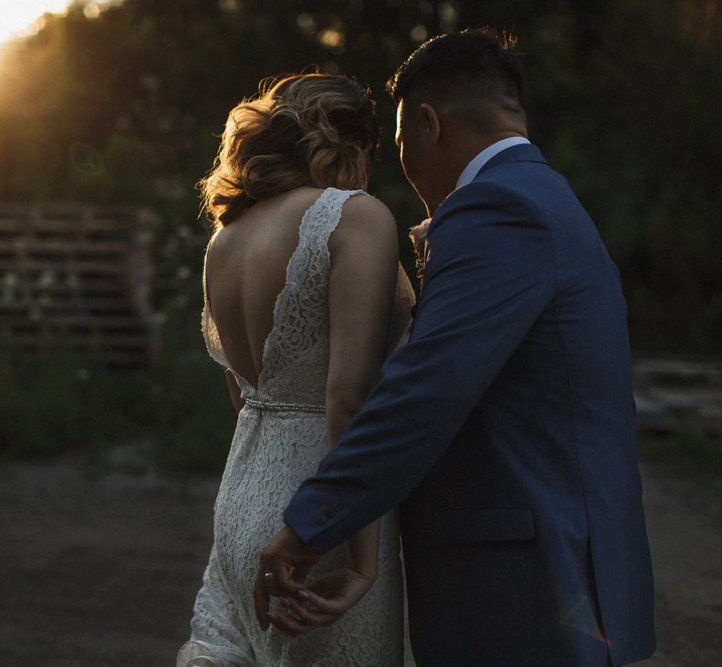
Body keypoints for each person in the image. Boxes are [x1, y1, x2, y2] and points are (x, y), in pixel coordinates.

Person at [256, 28, 657, 666]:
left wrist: (311, 524)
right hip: (560, 570)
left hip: (527, 585)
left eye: (398, 143)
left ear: (427, 124)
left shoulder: (498, 209)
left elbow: (423, 392)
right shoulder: (548, 198)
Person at [176, 73, 415, 666]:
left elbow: (247, 397)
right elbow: (347, 400)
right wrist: (361, 558)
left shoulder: (225, 241)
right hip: (320, 510)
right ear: (357, 146)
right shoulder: (354, 218)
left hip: (241, 497)